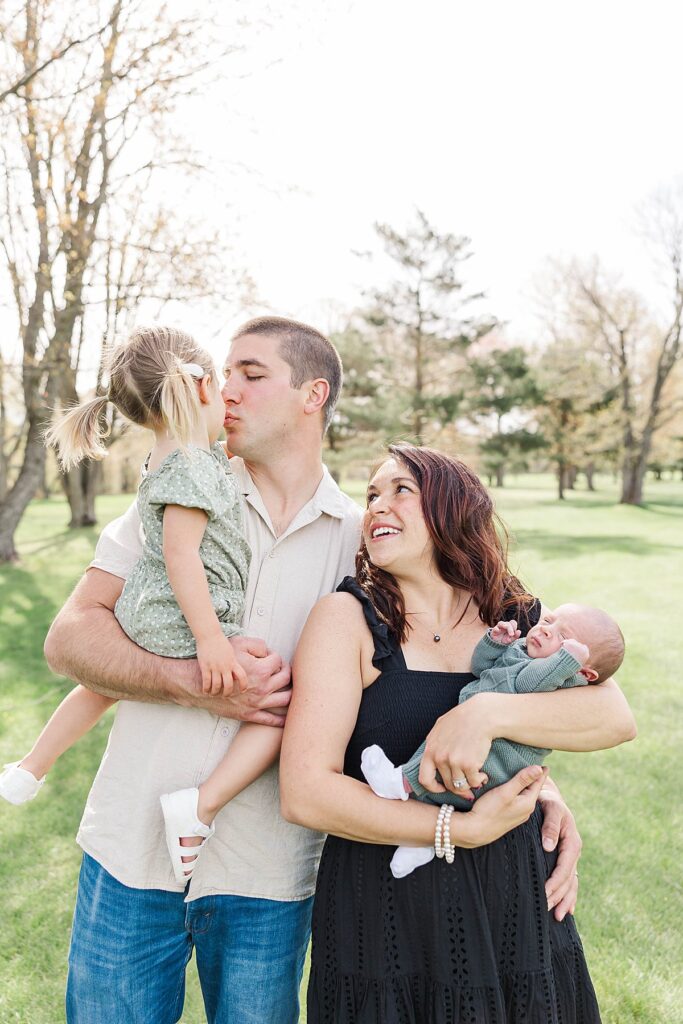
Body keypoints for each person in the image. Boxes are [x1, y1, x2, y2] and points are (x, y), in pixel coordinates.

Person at [41, 320, 616, 1024]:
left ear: (312, 394)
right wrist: (196, 680)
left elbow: (466, 672)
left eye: (250, 373)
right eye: (225, 373)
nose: (226, 389)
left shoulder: (367, 546)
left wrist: (538, 787)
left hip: (269, 874)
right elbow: (69, 640)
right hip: (131, 851)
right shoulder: (178, 497)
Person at [280, 444, 637, 1023]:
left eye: (400, 490)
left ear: (453, 508)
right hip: (387, 911)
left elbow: (613, 717)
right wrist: (457, 829)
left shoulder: (515, 613)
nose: (376, 506)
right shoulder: (346, 619)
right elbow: (304, 792)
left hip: (513, 897)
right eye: (371, 494)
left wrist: (483, 715)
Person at [0, 326, 279, 884]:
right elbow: (182, 557)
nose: (228, 396)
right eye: (221, 382)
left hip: (143, 608)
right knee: (276, 698)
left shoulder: (170, 454)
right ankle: (197, 811)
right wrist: (212, 641)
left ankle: (33, 765)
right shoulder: (196, 466)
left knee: (98, 687)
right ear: (199, 387)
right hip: (183, 615)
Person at [362, 602, 625, 877]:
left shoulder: (562, 678)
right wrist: (495, 643)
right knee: (444, 762)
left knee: (442, 756)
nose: (547, 631)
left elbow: (526, 684)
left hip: (496, 763)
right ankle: (422, 843)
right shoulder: (526, 650)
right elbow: (481, 667)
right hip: (484, 754)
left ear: (584, 672)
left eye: (564, 638)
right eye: (548, 621)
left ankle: (398, 782)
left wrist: (565, 660)